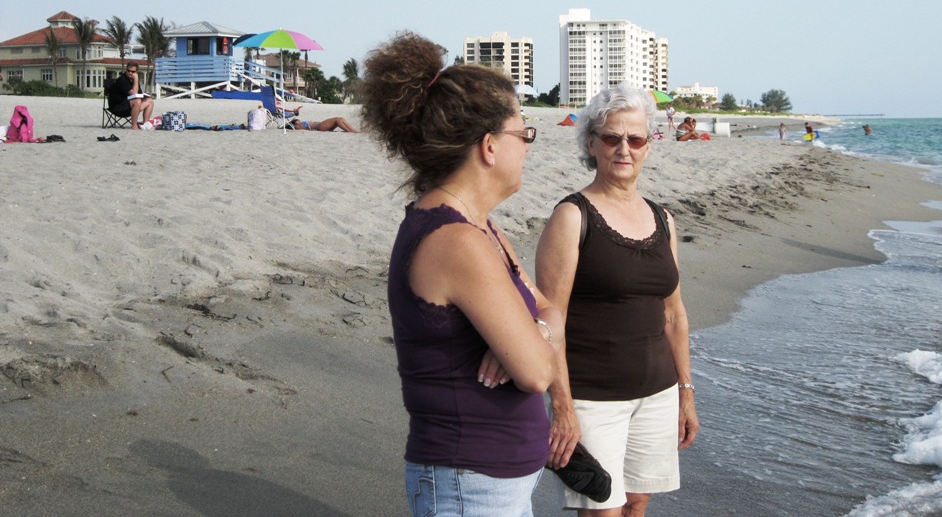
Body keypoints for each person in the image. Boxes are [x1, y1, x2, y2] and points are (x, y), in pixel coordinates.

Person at [361, 31, 562, 517]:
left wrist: (531, 331)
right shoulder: (457, 241)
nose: (527, 147)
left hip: (490, 480)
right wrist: (530, 340)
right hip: (468, 484)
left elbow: (549, 309)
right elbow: (538, 372)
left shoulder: (480, 227)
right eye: (524, 135)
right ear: (489, 146)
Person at [536, 84, 699, 517]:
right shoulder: (572, 216)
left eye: (636, 139)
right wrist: (562, 405)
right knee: (602, 509)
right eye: (612, 138)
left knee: (638, 502)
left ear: (648, 145)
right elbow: (550, 320)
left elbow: (674, 314)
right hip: (593, 397)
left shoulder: (663, 218)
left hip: (658, 393)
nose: (624, 149)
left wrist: (685, 392)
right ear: (591, 144)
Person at [110, 61, 155, 130]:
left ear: (136, 72)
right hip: (118, 107)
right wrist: (136, 79)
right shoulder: (122, 79)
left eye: (133, 71)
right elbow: (134, 94)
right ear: (126, 70)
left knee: (150, 101)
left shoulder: (133, 81)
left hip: (129, 106)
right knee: (137, 101)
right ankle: (134, 126)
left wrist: (145, 96)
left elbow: (139, 94)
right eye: (128, 71)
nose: (130, 73)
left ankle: (145, 123)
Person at [289, 116, 358, 132]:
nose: (299, 120)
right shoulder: (300, 125)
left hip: (321, 125)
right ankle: (349, 130)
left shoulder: (302, 123)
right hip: (320, 126)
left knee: (340, 119)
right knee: (337, 120)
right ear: (295, 123)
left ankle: (352, 129)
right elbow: (306, 129)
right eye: (297, 120)